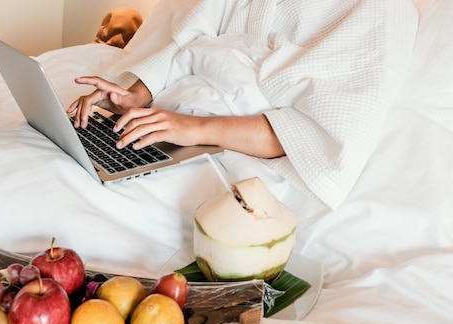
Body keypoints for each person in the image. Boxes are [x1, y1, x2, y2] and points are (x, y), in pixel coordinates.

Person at [66, 0, 419, 209]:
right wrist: (133, 96)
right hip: (167, 124)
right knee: (67, 158)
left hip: (234, 154)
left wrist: (193, 129)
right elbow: (186, 39)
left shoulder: (380, 11)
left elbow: (313, 135)